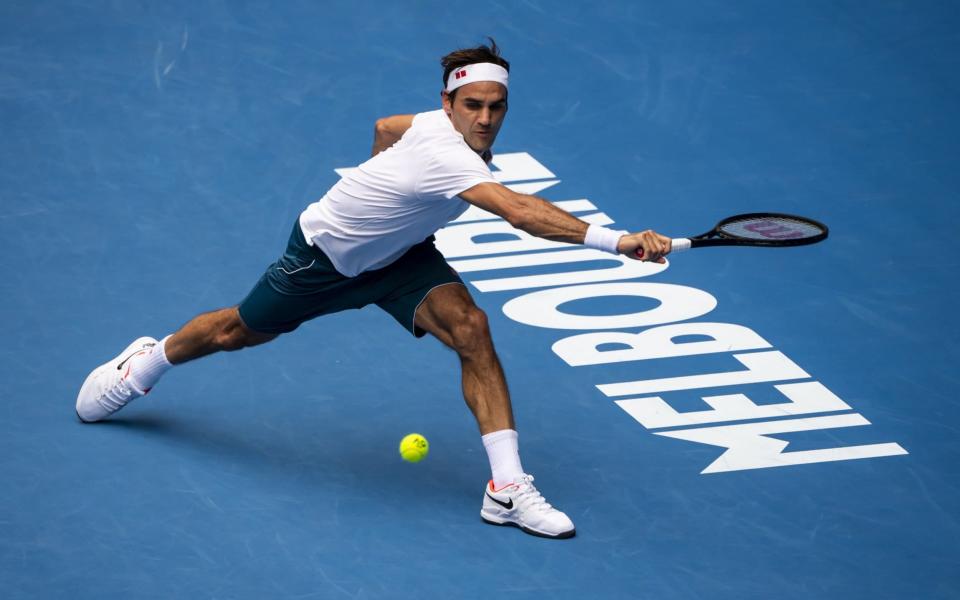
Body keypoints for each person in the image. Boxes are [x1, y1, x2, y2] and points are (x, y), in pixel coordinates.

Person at [76, 40, 672, 540]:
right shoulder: (448, 153)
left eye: (496, 106)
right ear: (449, 102)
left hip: (401, 259)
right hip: (322, 259)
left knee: (472, 330)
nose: (485, 119)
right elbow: (518, 212)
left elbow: (386, 127)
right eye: (472, 106)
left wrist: (384, 195)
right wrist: (616, 242)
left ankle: (507, 489)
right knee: (238, 332)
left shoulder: (433, 124)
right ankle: (144, 365)